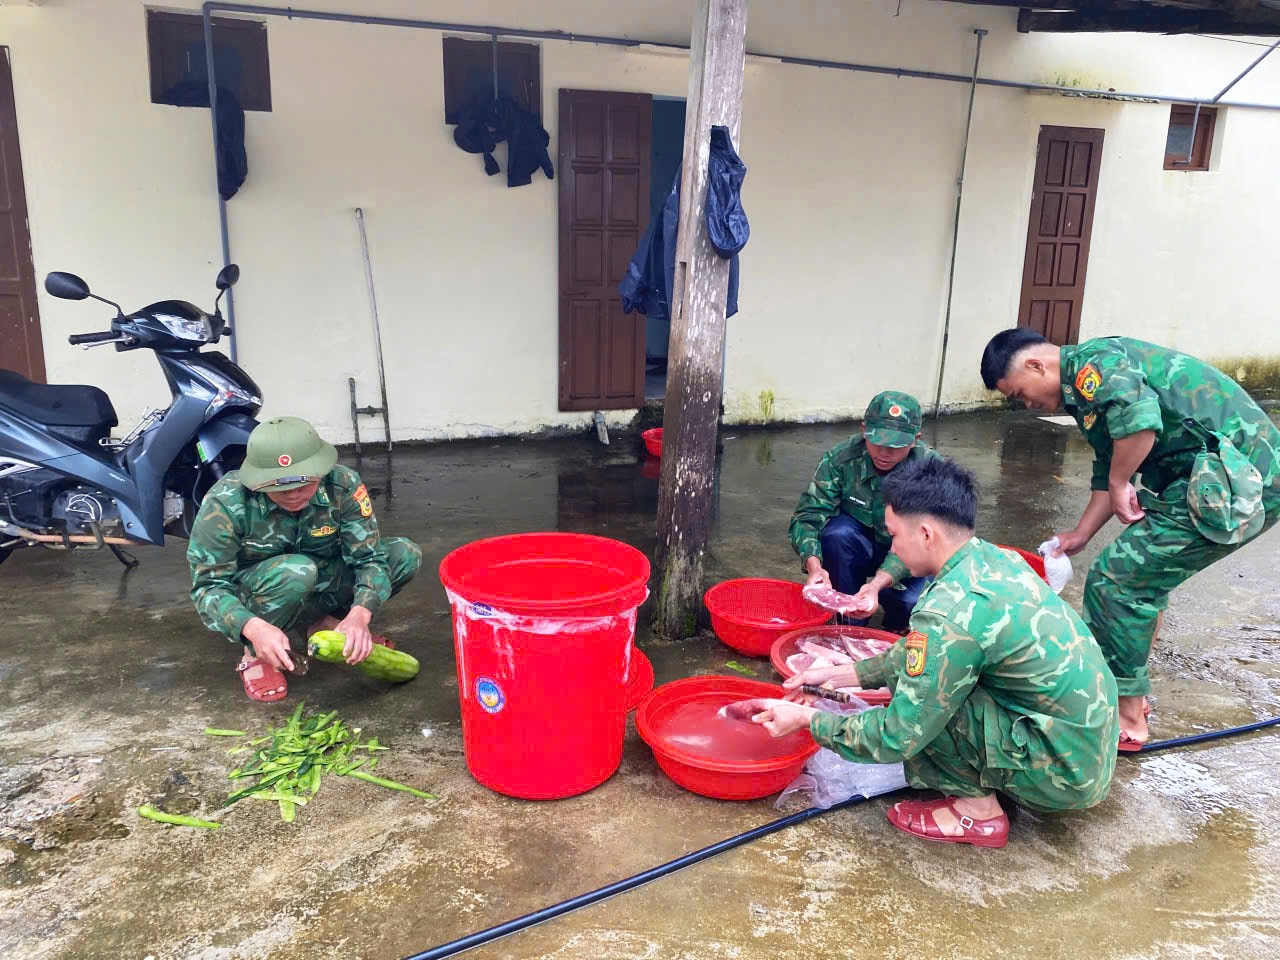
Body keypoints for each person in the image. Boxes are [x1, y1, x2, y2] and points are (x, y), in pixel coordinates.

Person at [753, 458, 1118, 848]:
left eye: (894, 535)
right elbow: (923, 655)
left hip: (1061, 775)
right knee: (929, 679)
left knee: (925, 705)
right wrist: (839, 676)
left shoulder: (947, 615)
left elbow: (897, 736)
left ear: (926, 533)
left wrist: (809, 720)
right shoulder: (993, 559)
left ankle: (977, 814)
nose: (893, 547)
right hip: (1084, 749)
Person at [980, 330, 1280, 749]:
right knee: (1141, 579)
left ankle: (1128, 713)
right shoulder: (1085, 390)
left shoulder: (1095, 365)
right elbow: (1110, 465)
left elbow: (1139, 425)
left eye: (1019, 394)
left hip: (1238, 481)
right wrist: (1082, 533)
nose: (1025, 405)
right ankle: (1127, 689)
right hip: (1210, 476)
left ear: (1036, 366)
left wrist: (1122, 482)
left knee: (1117, 582)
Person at [187, 417, 422, 702]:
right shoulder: (226, 502)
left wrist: (359, 615)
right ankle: (255, 654)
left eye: (304, 483)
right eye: (279, 486)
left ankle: (326, 625)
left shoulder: (342, 485)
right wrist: (252, 627)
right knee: (296, 572)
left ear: (321, 471)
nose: (293, 494)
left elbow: (369, 558)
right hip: (262, 593)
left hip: (321, 578)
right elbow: (209, 587)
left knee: (403, 554)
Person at [788, 391, 937, 631]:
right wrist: (814, 565)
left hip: (909, 555)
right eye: (877, 441)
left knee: (910, 604)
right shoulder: (841, 459)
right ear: (864, 430)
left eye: (896, 445)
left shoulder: (931, 471)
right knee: (837, 535)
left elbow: (920, 541)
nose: (884, 452)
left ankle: (895, 627)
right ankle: (849, 622)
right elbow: (808, 516)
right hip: (859, 547)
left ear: (914, 439)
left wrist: (877, 584)